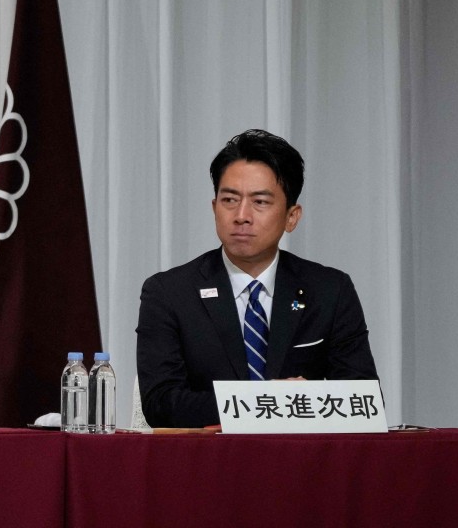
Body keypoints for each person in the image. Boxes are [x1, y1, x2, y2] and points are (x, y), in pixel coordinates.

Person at [135, 130, 378, 428]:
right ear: (214, 209)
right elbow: (161, 403)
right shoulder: (169, 292)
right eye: (229, 200)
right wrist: (268, 399)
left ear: (292, 217)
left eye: (260, 202)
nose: (241, 215)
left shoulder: (329, 290)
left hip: (302, 465)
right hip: (207, 464)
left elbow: (363, 401)